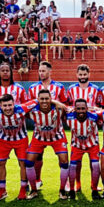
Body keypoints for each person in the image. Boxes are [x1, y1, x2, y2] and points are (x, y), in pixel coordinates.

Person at [0, 94, 37, 200]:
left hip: (21, 139)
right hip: (3, 140)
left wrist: (56, 103)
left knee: (23, 163)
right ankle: (2, 190)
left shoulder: (22, 109)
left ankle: (23, 190)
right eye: (4, 105)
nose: (8, 108)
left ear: (14, 104)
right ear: (0, 105)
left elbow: (38, 100)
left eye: (10, 105)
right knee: (0, 163)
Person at [27, 61, 68, 189]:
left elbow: (64, 105)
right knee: (37, 156)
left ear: (50, 72)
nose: (41, 73)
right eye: (39, 71)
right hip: (39, 130)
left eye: (43, 71)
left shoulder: (59, 87)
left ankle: (65, 182)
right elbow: (30, 106)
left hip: (56, 129)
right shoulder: (33, 87)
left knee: (62, 157)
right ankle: (37, 180)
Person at [25, 89, 70, 200]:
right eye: (42, 99)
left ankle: (62, 190)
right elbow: (20, 109)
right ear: (37, 100)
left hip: (57, 137)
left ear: (51, 99)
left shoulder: (59, 109)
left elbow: (68, 109)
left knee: (64, 162)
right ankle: (34, 190)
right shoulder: (32, 111)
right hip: (39, 138)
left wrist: (57, 103)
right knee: (29, 162)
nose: (44, 101)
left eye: (47, 99)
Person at [66, 64, 100, 191]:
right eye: (80, 75)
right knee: (77, 161)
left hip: (91, 127)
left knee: (94, 161)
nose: (82, 77)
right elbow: (68, 106)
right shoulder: (71, 89)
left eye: (85, 74)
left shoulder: (96, 89)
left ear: (89, 74)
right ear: (77, 75)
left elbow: (99, 106)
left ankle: (94, 184)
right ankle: (77, 184)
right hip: (77, 128)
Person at [66, 99, 101, 200]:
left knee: (95, 165)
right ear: (74, 109)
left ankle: (94, 189)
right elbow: (62, 107)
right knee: (72, 167)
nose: (81, 111)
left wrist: (94, 108)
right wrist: (69, 108)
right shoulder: (69, 116)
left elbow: (103, 111)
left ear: (87, 108)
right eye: (78, 109)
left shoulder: (94, 116)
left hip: (92, 144)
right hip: (77, 145)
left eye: (83, 108)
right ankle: (73, 189)